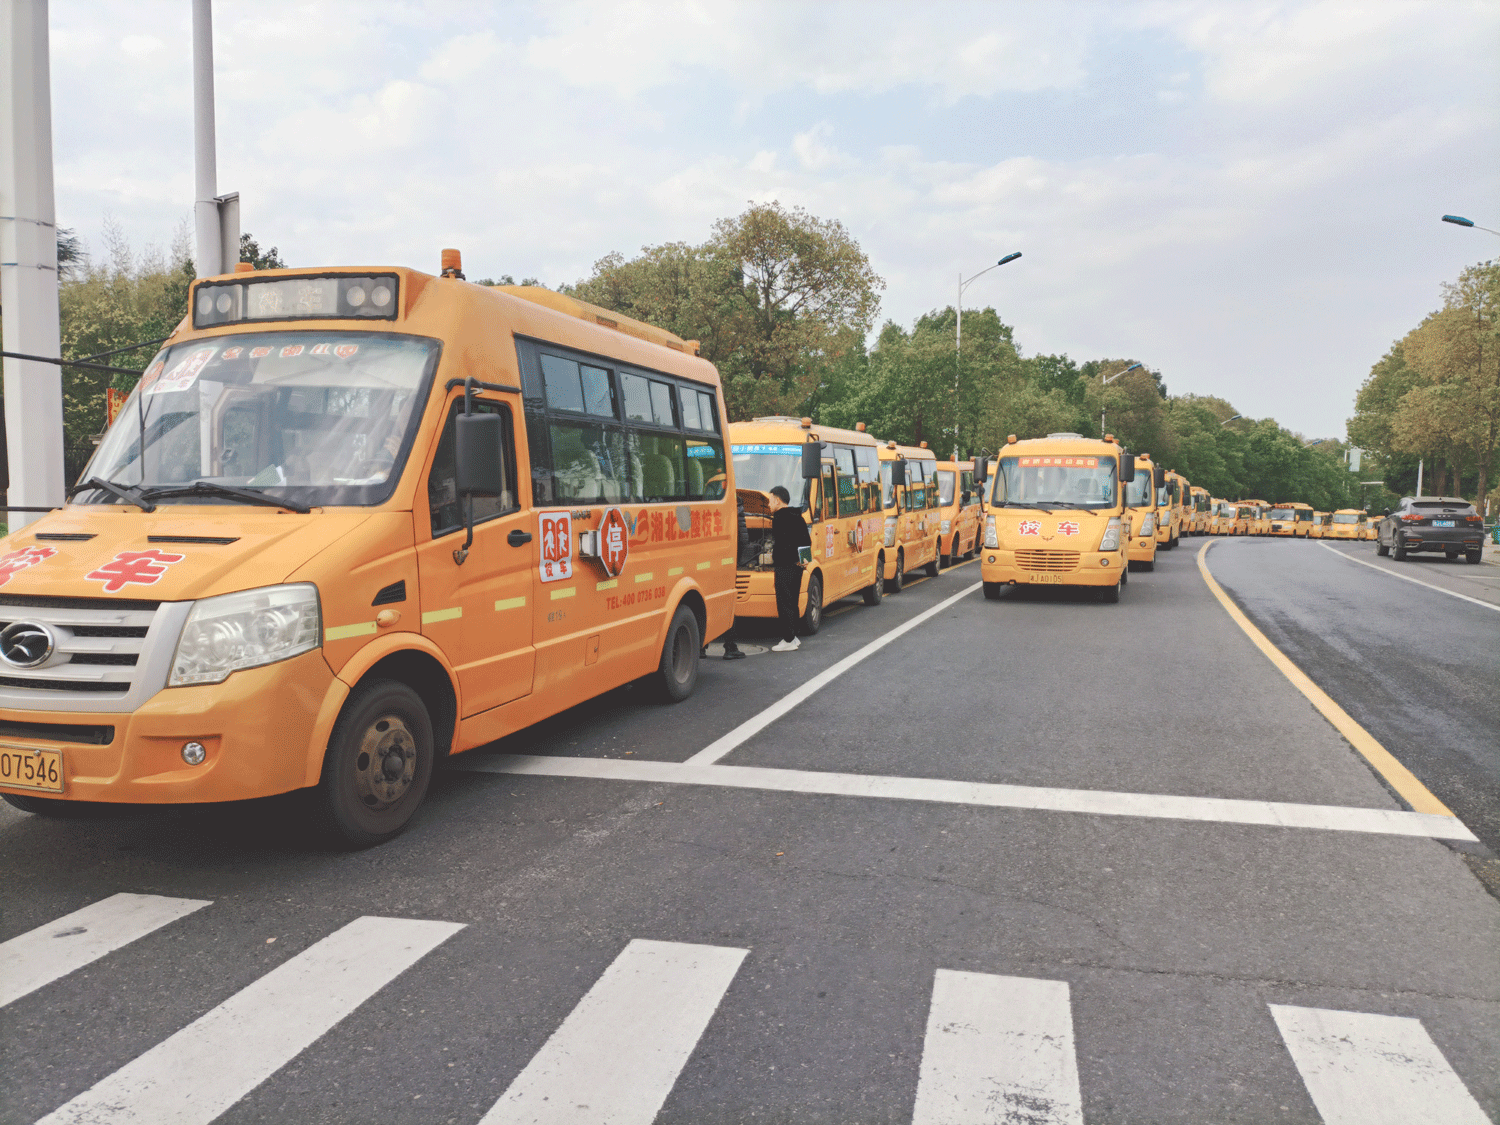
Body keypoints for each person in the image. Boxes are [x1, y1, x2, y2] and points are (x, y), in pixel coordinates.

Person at [768, 484, 811, 652]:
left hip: (784, 566)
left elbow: (780, 545)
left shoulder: (779, 519)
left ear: (778, 500)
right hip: (797, 566)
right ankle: (794, 636)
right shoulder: (798, 516)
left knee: (784, 602)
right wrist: (804, 561)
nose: (769, 504)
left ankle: (788, 640)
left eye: (770, 500)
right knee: (793, 601)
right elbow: (806, 540)